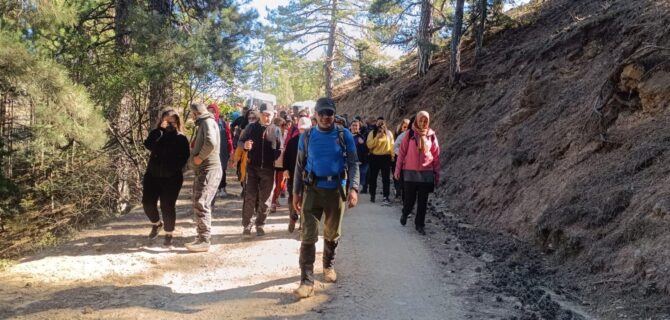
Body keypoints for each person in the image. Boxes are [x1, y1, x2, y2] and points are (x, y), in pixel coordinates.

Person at [292, 97, 360, 299]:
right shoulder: (307, 136)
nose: (325, 117)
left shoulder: (344, 135)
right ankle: (306, 281)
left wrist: (354, 189)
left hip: (335, 190)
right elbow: (299, 165)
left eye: (329, 113)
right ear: (315, 115)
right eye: (321, 113)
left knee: (332, 232)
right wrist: (295, 192)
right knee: (308, 235)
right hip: (312, 190)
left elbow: (354, 163)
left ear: (334, 114)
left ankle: (328, 265)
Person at [142, 109, 190, 247]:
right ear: (162, 120)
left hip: (171, 178)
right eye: (166, 121)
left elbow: (184, 157)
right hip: (152, 175)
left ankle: (169, 233)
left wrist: (172, 168)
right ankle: (157, 224)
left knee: (167, 206)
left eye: (172, 122)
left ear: (177, 122)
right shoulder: (157, 133)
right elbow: (148, 145)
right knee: (147, 203)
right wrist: (159, 131)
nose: (169, 124)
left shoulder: (181, 138)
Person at [238, 104, 281, 237]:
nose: (267, 117)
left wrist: (276, 156)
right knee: (250, 197)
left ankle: (260, 224)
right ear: (260, 114)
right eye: (264, 114)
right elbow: (239, 142)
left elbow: (280, 148)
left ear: (273, 115)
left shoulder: (276, 130)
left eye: (269, 115)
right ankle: (247, 226)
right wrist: (244, 145)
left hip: (268, 169)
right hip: (252, 168)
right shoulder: (251, 127)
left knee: (266, 200)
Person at [394, 111, 440, 235]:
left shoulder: (431, 135)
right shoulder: (409, 134)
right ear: (417, 121)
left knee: (423, 201)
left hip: (426, 173)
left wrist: (437, 174)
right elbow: (401, 153)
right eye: (421, 120)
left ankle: (420, 224)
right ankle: (405, 213)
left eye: (426, 121)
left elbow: (436, 156)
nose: (423, 123)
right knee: (409, 200)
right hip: (410, 172)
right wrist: (397, 170)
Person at [186, 103, 222, 252]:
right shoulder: (206, 122)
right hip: (205, 170)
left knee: (201, 203)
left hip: (209, 169)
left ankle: (204, 240)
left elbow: (211, 142)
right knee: (198, 201)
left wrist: (199, 157)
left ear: (195, 114)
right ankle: (201, 236)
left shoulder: (207, 122)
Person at [283, 116, 311, 232]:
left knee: (306, 200)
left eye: (306, 129)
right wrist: (285, 169)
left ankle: (303, 223)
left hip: (309, 176)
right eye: (301, 129)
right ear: (298, 129)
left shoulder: (313, 142)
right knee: (292, 198)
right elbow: (286, 157)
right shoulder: (292, 142)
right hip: (294, 175)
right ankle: (293, 217)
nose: (303, 131)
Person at [366, 118, 394, 205]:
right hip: (375, 157)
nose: (380, 125)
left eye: (382, 123)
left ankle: (386, 196)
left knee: (386, 178)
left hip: (386, 157)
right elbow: (369, 145)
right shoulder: (372, 133)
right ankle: (372, 194)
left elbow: (392, 145)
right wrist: (377, 138)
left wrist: (392, 157)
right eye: (378, 123)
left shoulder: (389, 133)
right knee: (373, 177)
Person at [208, 103, 233, 198]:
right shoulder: (204, 123)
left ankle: (222, 188)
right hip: (210, 152)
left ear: (216, 112)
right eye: (209, 111)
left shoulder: (222, 124)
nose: (211, 114)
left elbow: (229, 137)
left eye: (213, 111)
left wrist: (230, 151)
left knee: (222, 169)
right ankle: (213, 189)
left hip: (222, 151)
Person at [270, 116, 287, 212]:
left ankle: (275, 199)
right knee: (272, 184)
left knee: (280, 185)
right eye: (281, 125)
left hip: (283, 163)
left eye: (283, 125)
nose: (283, 127)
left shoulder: (287, 135)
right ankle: (272, 202)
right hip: (272, 163)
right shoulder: (270, 135)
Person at [350, 120, 369, 194]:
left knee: (357, 179)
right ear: (350, 126)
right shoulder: (346, 136)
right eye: (353, 125)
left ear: (359, 127)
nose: (354, 127)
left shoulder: (361, 137)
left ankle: (354, 193)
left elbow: (366, 151)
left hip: (357, 161)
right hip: (347, 161)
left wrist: (363, 144)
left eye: (356, 125)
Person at [393, 119, 410, 201]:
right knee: (399, 176)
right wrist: (399, 154)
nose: (405, 128)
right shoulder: (399, 135)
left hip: (410, 160)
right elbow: (395, 146)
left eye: (407, 126)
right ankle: (398, 192)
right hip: (399, 157)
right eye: (404, 126)